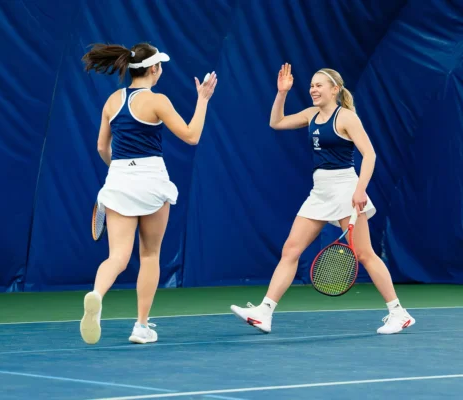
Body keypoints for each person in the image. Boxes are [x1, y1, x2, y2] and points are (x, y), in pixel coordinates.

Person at [230, 63, 415, 335]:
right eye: (311, 85)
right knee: (290, 249)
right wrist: (282, 93)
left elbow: (370, 155)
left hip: (345, 187)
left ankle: (399, 313)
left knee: (364, 254)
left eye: (319, 85)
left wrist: (360, 189)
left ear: (335, 90)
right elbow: (276, 122)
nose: (313, 89)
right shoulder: (310, 114)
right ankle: (264, 312)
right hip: (320, 190)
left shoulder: (347, 118)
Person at [79, 42, 218, 345]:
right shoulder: (158, 101)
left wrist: (118, 172)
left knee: (117, 256)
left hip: (118, 180)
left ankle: (97, 295)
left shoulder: (112, 101)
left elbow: (103, 147)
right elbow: (192, 136)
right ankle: (141, 326)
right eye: (161, 66)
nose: (162, 70)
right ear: (153, 69)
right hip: (151, 180)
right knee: (150, 254)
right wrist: (203, 99)